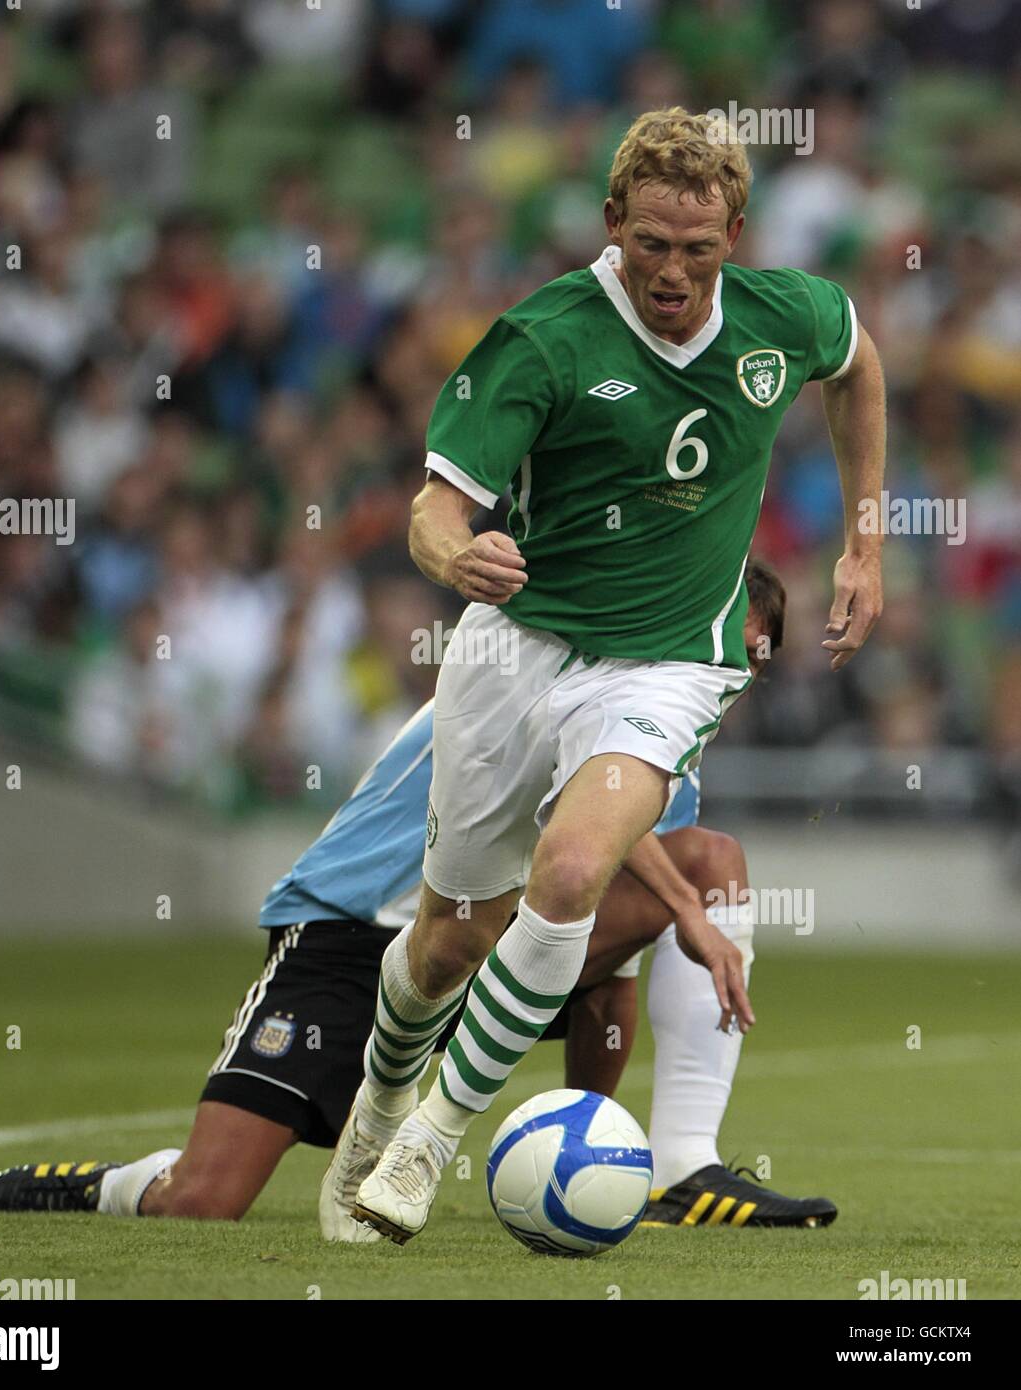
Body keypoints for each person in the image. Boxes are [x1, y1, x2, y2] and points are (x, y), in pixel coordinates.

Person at [339, 106, 884, 1244]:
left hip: (670, 659)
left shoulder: (790, 315)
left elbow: (859, 365)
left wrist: (865, 540)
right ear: (610, 225)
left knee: (577, 867)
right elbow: (432, 511)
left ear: (736, 231)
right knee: (445, 939)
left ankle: (431, 1140)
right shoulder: (545, 338)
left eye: (698, 248)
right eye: (650, 245)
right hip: (515, 651)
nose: (674, 273)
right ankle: (380, 1099)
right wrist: (458, 551)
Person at [0, 561, 837, 1233]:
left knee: (687, 877)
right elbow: (564, 798)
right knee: (204, 1201)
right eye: (729, 643)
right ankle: (93, 1184)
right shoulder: (563, 669)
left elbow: (604, 956)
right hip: (353, 931)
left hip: (481, 951)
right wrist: (686, 910)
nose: (736, 671)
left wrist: (593, 1133)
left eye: (754, 658)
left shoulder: (665, 754)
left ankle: (671, 1169)